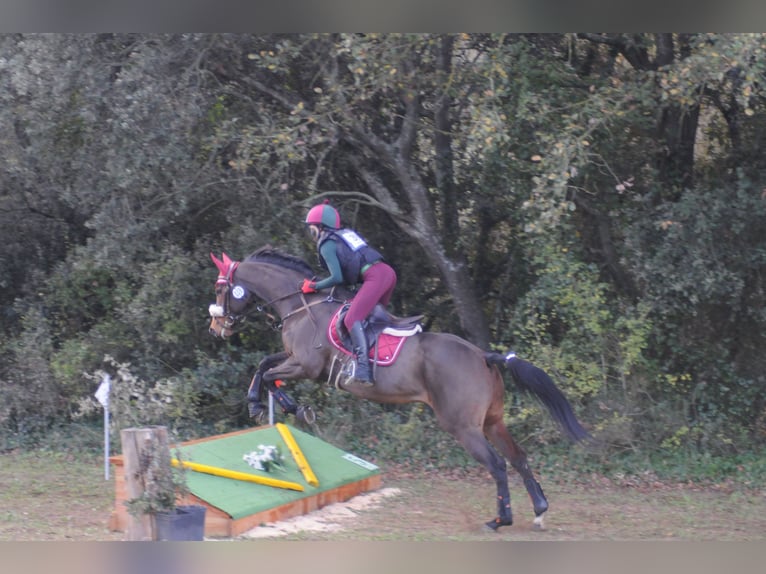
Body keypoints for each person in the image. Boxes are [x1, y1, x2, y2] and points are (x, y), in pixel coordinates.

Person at [301, 200, 397, 386]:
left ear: (320, 227)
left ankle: (363, 369)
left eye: (311, 227)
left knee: (350, 319)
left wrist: (314, 287)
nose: (310, 232)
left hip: (375, 277)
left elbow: (337, 277)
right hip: (387, 273)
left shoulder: (327, 243)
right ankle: (382, 362)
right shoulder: (345, 235)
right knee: (371, 320)